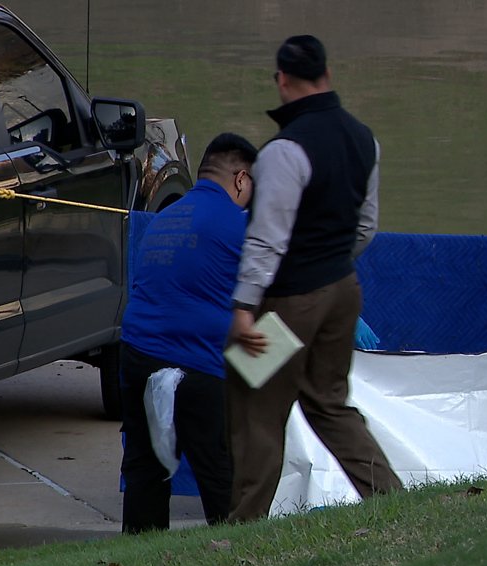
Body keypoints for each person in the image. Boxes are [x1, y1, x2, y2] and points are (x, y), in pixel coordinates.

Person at [227, 34, 402, 522]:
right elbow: (366, 225)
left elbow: (268, 238)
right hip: (344, 291)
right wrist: (330, 262)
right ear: (326, 75)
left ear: (282, 80)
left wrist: (244, 307)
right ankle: (390, 498)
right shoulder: (364, 138)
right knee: (329, 403)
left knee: (252, 402)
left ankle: (243, 525)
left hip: (288, 303)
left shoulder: (284, 151)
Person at [119, 133, 258, 533]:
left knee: (145, 466)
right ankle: (237, 558)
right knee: (219, 469)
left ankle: (138, 564)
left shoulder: (164, 219)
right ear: (241, 180)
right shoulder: (239, 224)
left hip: (137, 353)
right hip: (197, 362)